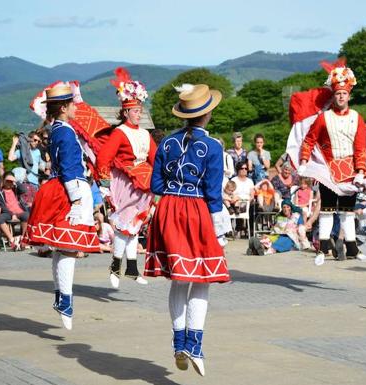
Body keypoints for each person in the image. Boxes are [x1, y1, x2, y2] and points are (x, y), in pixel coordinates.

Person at [144, 83, 231, 377]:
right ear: (207, 114)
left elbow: (155, 185)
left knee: (179, 278)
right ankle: (195, 343)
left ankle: (178, 340)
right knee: (202, 276)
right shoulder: (214, 147)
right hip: (196, 211)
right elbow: (213, 193)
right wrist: (219, 231)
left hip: (168, 209)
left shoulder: (166, 143)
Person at [24, 83, 100, 330]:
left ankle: (61, 297)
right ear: (65, 108)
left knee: (61, 248)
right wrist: (77, 201)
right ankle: (65, 300)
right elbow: (68, 167)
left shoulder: (57, 129)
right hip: (69, 189)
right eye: (73, 104)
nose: (77, 107)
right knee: (68, 248)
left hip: (61, 187)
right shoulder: (65, 131)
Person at [298, 61, 366, 265]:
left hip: (349, 170)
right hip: (328, 170)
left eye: (344, 93)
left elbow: (361, 146)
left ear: (349, 95)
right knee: (327, 209)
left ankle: (353, 249)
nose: (341, 96)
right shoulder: (324, 118)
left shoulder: (357, 118)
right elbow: (309, 139)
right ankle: (323, 249)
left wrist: (361, 170)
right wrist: (304, 160)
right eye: (338, 93)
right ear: (334, 94)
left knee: (347, 211)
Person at [96, 67, 156, 288]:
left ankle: (131, 269)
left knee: (134, 226)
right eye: (135, 110)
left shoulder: (144, 133)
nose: (139, 113)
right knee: (124, 227)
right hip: (125, 183)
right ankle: (114, 266)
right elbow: (104, 157)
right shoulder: (120, 132)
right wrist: (105, 184)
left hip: (142, 183)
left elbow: (154, 157)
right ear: (126, 112)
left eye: (140, 110)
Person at [0, 171, 30, 251]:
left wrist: (16, 181)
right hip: (8, 212)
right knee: (0, 218)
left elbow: (24, 190)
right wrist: (12, 214)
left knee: (27, 215)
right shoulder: (0, 191)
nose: (9, 183)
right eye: (7, 181)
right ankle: (12, 239)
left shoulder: (15, 189)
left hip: (19, 211)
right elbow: (2, 205)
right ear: (3, 181)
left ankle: (23, 238)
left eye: (11, 181)